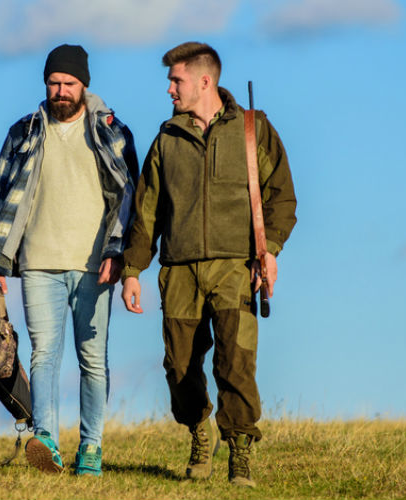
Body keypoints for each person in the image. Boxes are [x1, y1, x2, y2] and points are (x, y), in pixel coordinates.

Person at [120, 42, 297, 487]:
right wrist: (132, 270)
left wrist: (269, 249)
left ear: (205, 81)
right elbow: (146, 211)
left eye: (175, 80)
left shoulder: (254, 130)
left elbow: (281, 197)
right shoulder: (166, 139)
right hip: (178, 269)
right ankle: (200, 432)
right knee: (179, 365)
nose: (169, 89)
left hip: (236, 267)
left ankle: (239, 451)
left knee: (235, 364)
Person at [0, 44, 138, 476]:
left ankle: (91, 447)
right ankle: (45, 439)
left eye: (68, 83)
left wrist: (118, 253)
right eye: (53, 83)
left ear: (83, 84)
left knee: (92, 359)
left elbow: (129, 199)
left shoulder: (112, 130)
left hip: (95, 265)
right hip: (38, 262)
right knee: (42, 356)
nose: (60, 91)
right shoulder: (24, 131)